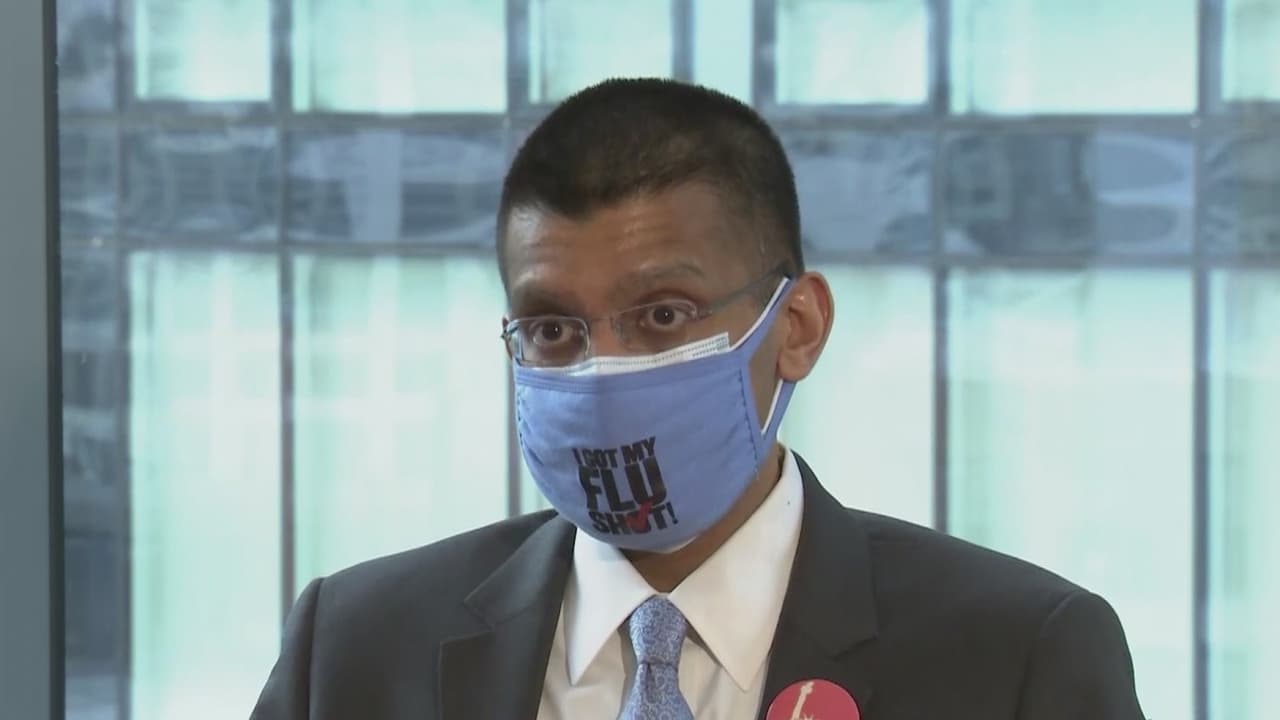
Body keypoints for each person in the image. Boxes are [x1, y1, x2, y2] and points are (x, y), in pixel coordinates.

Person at [250, 78, 1146, 720]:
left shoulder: (1018, 658)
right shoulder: (356, 649)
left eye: (663, 316)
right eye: (553, 329)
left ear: (797, 327)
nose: (604, 372)